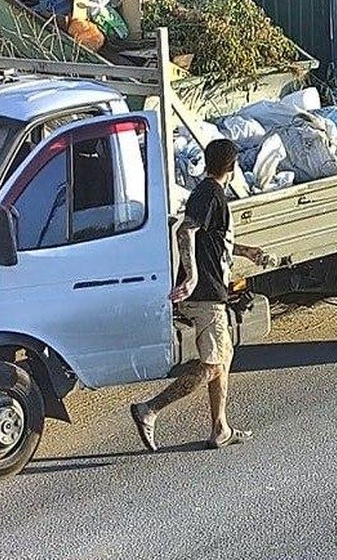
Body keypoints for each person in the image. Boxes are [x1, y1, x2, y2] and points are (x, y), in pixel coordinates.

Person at [130, 139, 273, 452]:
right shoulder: (210, 194)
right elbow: (185, 231)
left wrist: (249, 252)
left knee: (224, 357)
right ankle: (149, 409)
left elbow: (212, 238)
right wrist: (192, 276)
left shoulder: (210, 193)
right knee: (212, 365)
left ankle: (220, 428)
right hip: (206, 293)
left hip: (210, 291)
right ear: (233, 168)